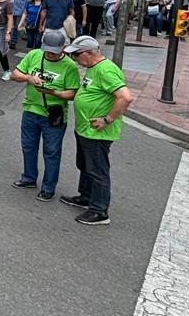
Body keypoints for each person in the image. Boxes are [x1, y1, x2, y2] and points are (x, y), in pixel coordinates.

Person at [59, 36, 132, 226]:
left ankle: (99, 211)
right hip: (85, 129)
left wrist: (107, 119)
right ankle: (86, 196)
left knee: (97, 170)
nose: (75, 59)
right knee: (85, 165)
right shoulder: (93, 68)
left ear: (89, 52)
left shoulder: (106, 70)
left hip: (98, 133)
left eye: (76, 54)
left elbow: (125, 97)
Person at [10, 28, 79, 200]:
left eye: (55, 53)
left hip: (53, 114)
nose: (51, 55)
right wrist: (29, 78)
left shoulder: (70, 66)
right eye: (47, 51)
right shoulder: (34, 55)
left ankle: (48, 187)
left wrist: (53, 92)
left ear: (63, 49)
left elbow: (72, 93)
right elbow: (14, 74)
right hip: (31, 110)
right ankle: (29, 177)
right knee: (28, 146)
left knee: (52, 151)